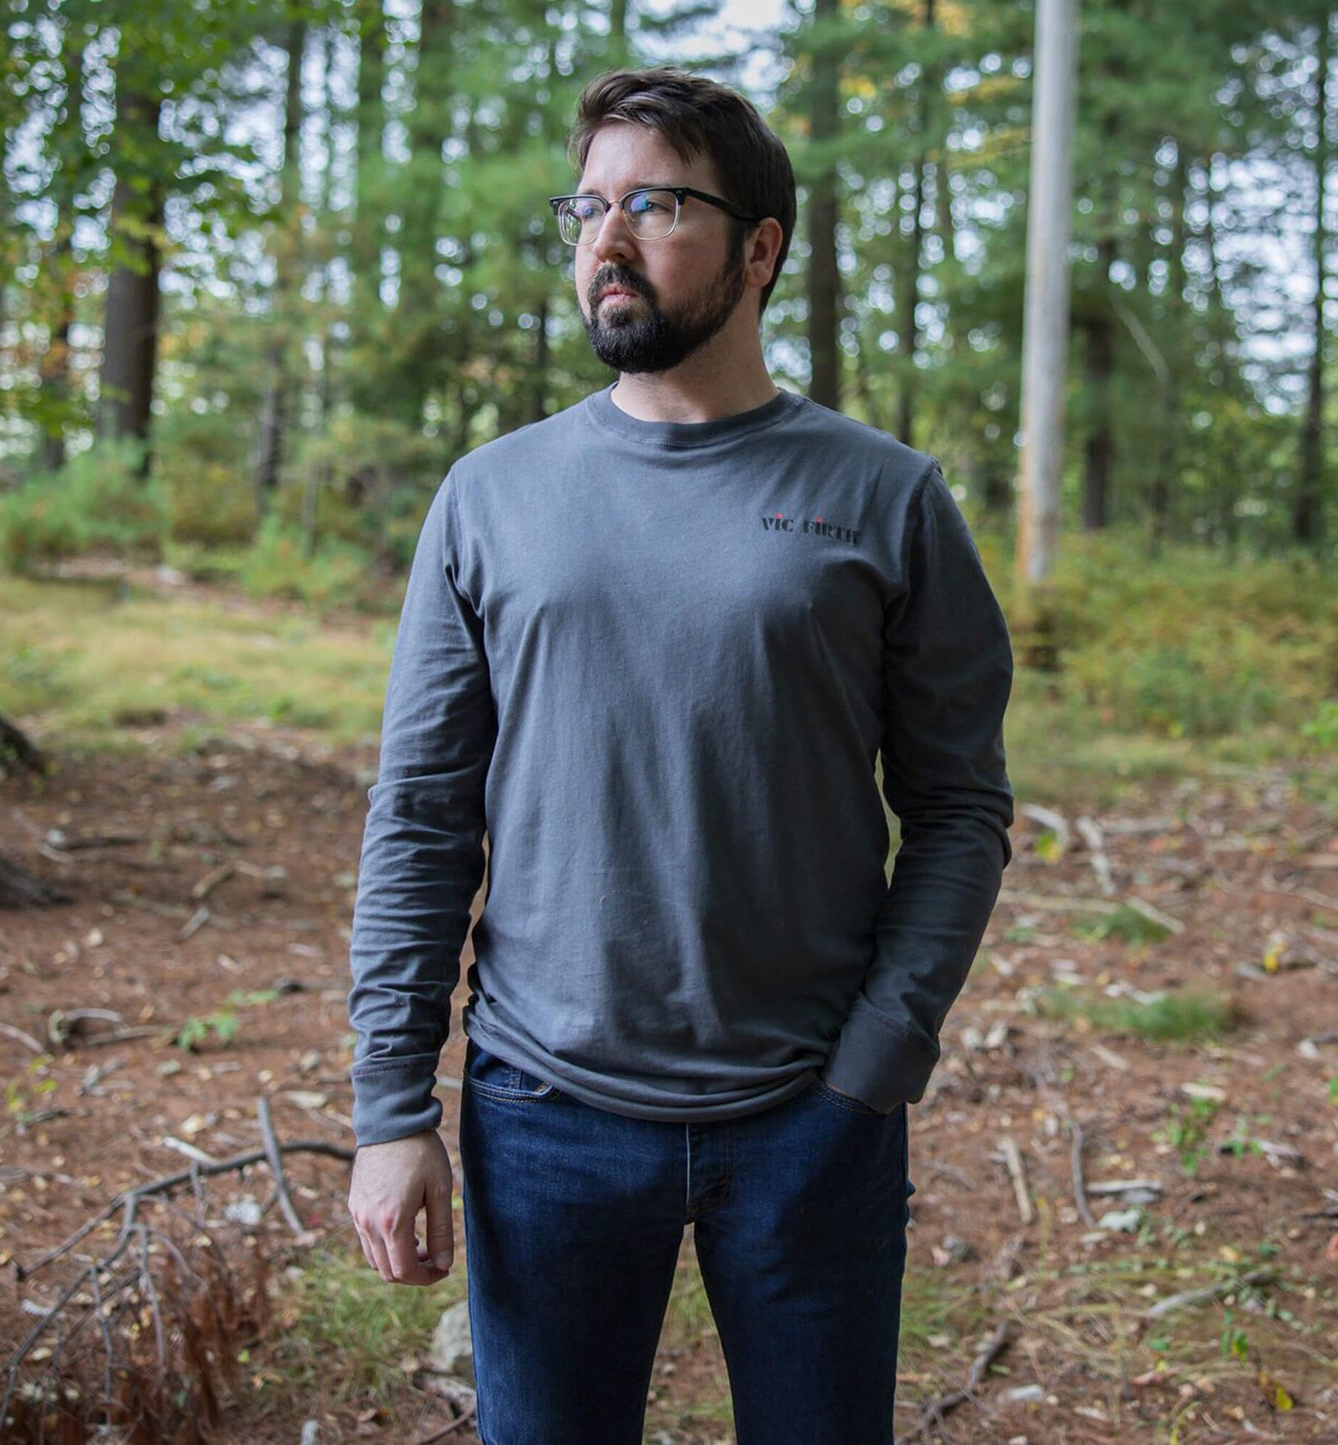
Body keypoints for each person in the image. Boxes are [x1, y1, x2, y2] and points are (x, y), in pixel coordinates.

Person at [346, 66, 1014, 1445]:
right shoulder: (491, 497)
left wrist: (879, 1058)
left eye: (653, 204)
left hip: (810, 1117)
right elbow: (420, 813)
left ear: (758, 248)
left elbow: (957, 805)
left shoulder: (884, 495)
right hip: (546, 1110)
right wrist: (389, 1108)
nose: (607, 239)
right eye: (588, 206)